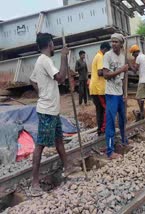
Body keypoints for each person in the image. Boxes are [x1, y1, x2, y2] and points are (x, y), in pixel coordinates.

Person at [29, 33, 78, 196]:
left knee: (59, 140)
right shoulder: (45, 60)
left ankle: (67, 166)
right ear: (49, 44)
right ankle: (34, 183)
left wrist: (42, 92)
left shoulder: (39, 61)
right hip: (47, 111)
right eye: (53, 44)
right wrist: (64, 57)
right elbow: (61, 78)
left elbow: (32, 80)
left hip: (52, 110)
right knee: (40, 145)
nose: (54, 47)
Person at [102, 33, 129, 159]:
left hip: (120, 94)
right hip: (111, 94)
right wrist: (121, 70)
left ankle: (124, 141)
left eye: (116, 42)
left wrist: (125, 93)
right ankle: (110, 151)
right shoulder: (107, 56)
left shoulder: (123, 57)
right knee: (111, 122)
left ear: (121, 44)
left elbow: (123, 78)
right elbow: (106, 75)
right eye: (112, 41)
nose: (113, 44)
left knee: (123, 119)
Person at [89, 42, 111, 136]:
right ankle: (103, 129)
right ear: (105, 49)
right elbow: (100, 72)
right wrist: (110, 72)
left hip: (95, 88)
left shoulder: (97, 56)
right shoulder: (100, 57)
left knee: (100, 110)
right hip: (99, 88)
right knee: (105, 109)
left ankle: (100, 129)